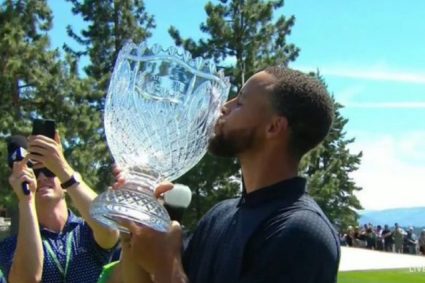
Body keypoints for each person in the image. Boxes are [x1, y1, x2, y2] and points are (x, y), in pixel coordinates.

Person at [113, 66, 340, 283]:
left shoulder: (301, 233)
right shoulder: (220, 215)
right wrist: (134, 228)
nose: (224, 107)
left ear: (273, 127)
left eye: (240, 102)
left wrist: (164, 264)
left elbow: (166, 273)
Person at [0, 133, 119, 282]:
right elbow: (26, 279)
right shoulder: (12, 245)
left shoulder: (87, 230)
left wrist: (62, 168)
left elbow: (110, 229)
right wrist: (26, 200)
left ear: (63, 183)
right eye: (35, 173)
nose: (42, 177)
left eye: (50, 171)